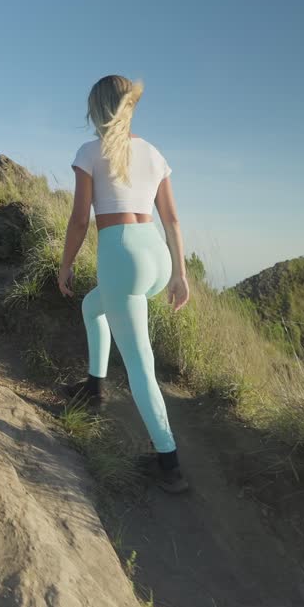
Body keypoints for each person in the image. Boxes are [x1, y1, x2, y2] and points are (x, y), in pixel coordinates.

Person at [56, 74, 192, 494]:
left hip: (121, 256)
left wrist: (65, 266)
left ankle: (168, 463)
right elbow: (171, 218)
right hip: (155, 254)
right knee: (92, 307)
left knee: (140, 364)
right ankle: (95, 386)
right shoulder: (153, 153)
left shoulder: (89, 152)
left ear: (96, 111)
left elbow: (81, 220)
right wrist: (180, 273)